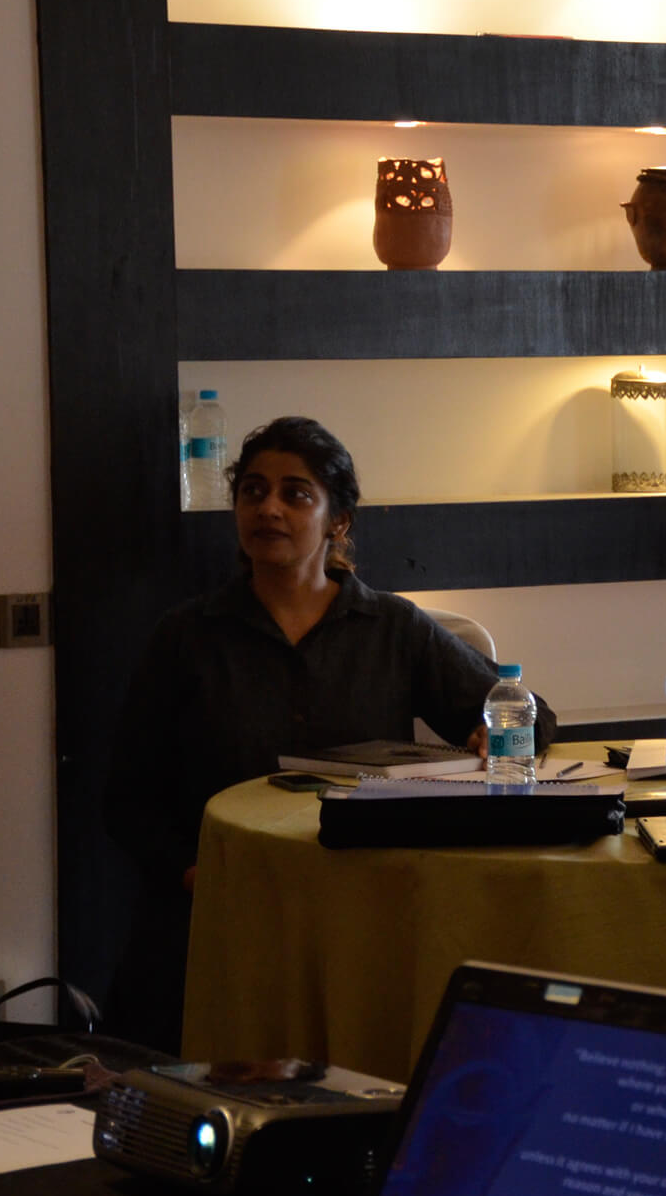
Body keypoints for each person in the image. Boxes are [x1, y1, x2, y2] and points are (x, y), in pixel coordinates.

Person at [102, 416, 556, 1053]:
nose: (269, 508)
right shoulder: (187, 636)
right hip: (222, 908)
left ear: (337, 521)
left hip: (360, 905)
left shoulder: (392, 626)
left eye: (295, 494)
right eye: (253, 491)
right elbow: (126, 797)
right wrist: (192, 873)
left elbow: (531, 714)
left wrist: (495, 730)